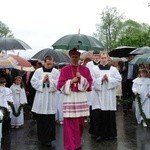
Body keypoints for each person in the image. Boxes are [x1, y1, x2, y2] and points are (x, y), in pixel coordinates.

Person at [57, 48, 93, 150]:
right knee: (69, 123)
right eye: (73, 57)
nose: (74, 59)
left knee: (80, 123)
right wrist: (71, 81)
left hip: (80, 98)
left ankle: (77, 143)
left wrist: (81, 78)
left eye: (76, 57)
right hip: (70, 97)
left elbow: (90, 84)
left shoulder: (85, 70)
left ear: (79, 57)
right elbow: (60, 85)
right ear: (70, 57)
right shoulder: (64, 70)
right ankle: (70, 145)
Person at [91, 52, 122, 142]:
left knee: (109, 116)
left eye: (105, 58)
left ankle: (110, 134)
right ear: (99, 59)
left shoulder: (113, 69)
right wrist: (101, 79)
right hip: (98, 96)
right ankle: (99, 135)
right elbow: (92, 81)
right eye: (102, 58)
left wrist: (109, 79)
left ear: (108, 59)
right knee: (98, 115)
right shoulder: (94, 69)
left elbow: (119, 80)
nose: (104, 59)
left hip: (109, 96)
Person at [31, 55, 59, 147]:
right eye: (48, 64)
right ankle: (42, 138)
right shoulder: (38, 71)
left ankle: (49, 139)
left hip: (51, 97)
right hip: (41, 97)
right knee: (41, 119)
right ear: (44, 62)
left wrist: (50, 81)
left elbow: (58, 83)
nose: (49, 66)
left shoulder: (56, 72)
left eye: (51, 64)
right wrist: (42, 81)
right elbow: (33, 82)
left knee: (50, 119)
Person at [86, 51, 100, 135]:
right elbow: (87, 75)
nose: (96, 57)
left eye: (98, 55)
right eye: (95, 55)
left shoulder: (101, 64)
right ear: (92, 56)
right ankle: (92, 124)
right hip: (92, 88)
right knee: (92, 106)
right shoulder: (89, 64)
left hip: (99, 88)